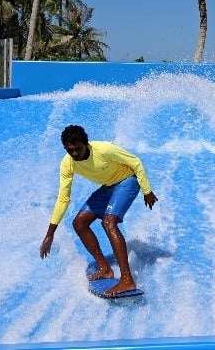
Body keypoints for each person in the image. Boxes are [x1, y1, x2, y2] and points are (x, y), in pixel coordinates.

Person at [39, 125, 158, 296]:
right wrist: (50, 233)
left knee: (109, 222)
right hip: (109, 186)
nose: (74, 154)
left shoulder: (103, 150)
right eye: (69, 150)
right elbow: (63, 198)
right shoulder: (67, 164)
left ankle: (127, 280)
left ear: (85, 143)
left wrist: (147, 191)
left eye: (77, 148)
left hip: (127, 181)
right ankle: (105, 268)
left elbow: (136, 162)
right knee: (79, 223)